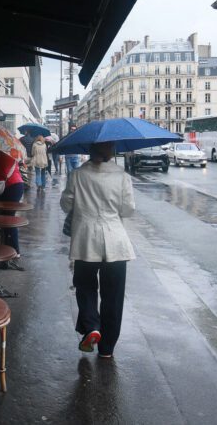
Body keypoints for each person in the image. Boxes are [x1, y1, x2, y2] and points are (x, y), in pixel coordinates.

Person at [60, 140, 135, 358]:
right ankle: (107, 348)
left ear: (89, 150)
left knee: (85, 286)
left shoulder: (77, 174)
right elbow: (128, 210)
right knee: (113, 295)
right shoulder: (122, 176)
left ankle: (92, 325)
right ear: (111, 152)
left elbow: (66, 205)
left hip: (85, 240)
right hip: (116, 242)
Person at [0, 149, 24, 257]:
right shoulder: (0, 153)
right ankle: (9, 248)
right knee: (7, 218)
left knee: (9, 219)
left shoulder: (6, 154)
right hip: (10, 186)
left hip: (13, 187)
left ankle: (14, 250)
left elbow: (3, 173)